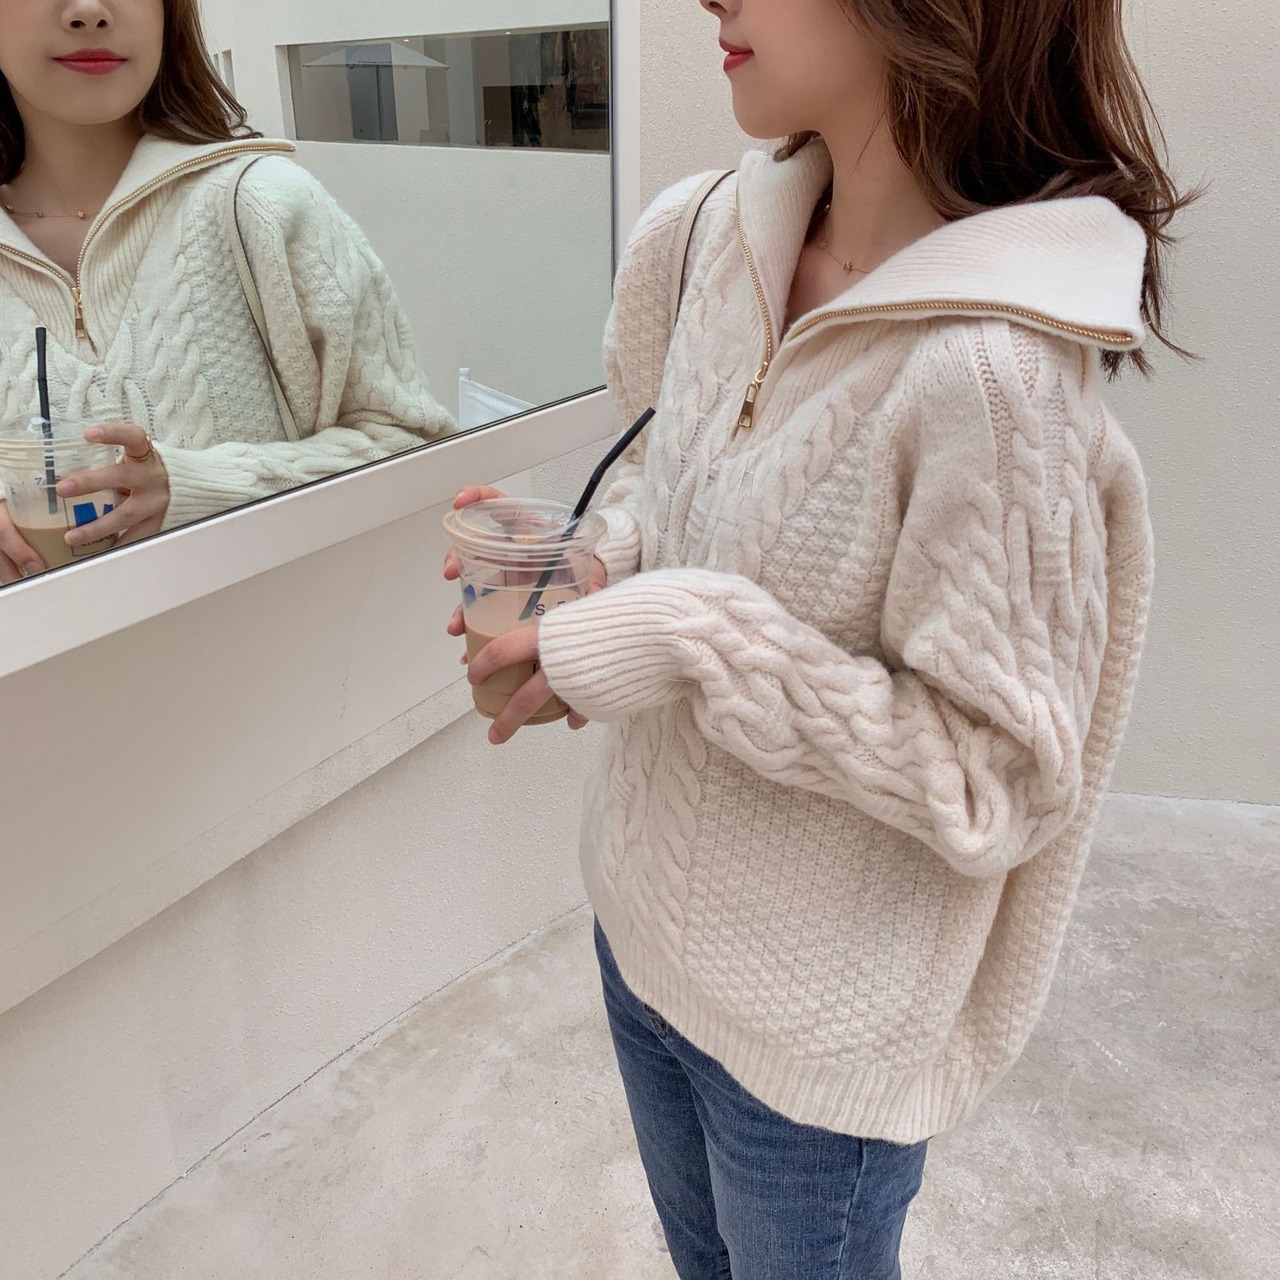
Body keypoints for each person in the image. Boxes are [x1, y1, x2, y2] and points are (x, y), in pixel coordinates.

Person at [448, 0, 1189, 1274]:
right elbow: (670, 480)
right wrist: (597, 568)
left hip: (812, 1047)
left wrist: (681, 631)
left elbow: (992, 779)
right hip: (637, 941)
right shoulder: (698, 237)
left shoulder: (994, 382)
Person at [0, 0, 452, 583]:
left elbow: (415, 449)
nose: (89, 10)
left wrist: (204, 487)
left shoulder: (267, 208)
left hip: (282, 638)